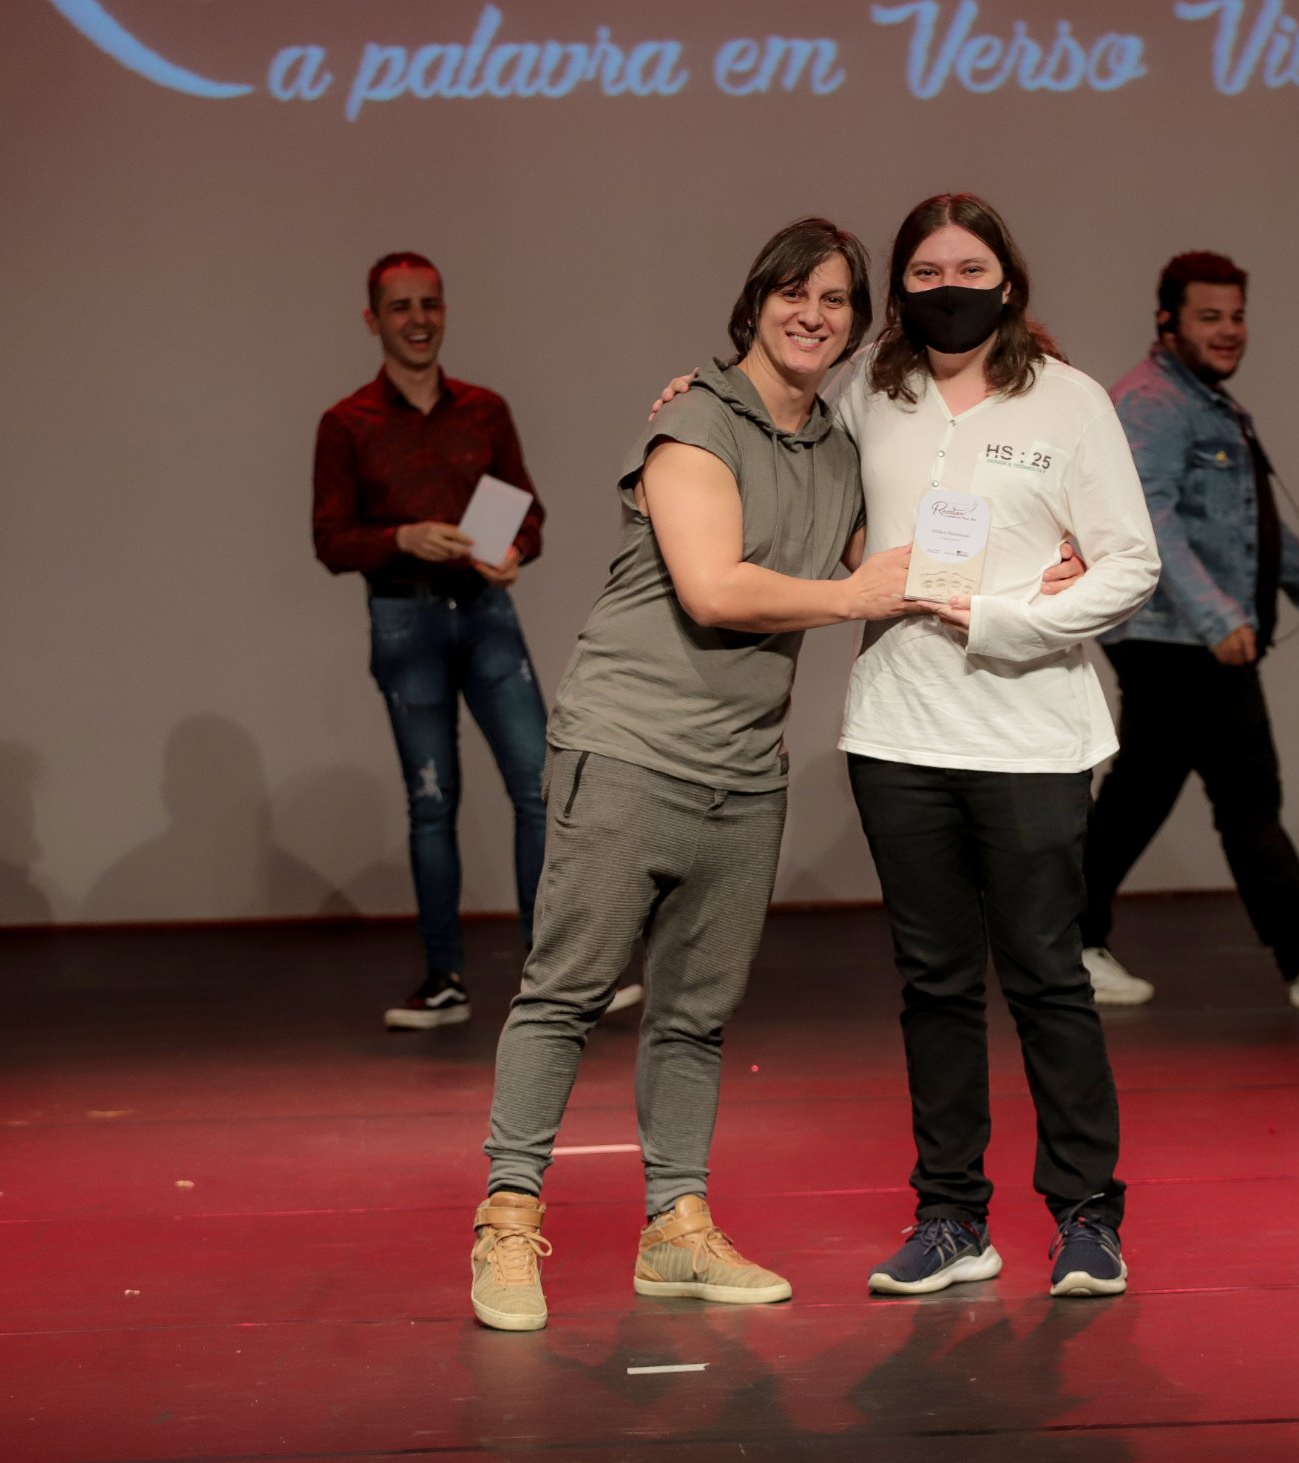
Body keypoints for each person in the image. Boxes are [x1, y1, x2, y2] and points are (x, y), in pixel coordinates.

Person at [467, 217, 931, 1333]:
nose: (812, 314)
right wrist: (853, 596)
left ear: (855, 325)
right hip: (630, 745)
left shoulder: (834, 449)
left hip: (743, 770)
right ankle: (506, 1219)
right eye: (793, 292)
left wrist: (1036, 561)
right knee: (565, 992)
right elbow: (715, 588)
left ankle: (675, 1226)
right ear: (754, 303)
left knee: (694, 1015)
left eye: (835, 299)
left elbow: (906, 555)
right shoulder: (694, 423)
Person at [831, 195, 1160, 1300]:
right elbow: (785, 465)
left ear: (1007, 281)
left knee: (1045, 976)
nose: (947, 288)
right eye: (924, 272)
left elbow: (1128, 562)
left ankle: (1085, 1214)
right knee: (932, 982)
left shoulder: (1068, 400)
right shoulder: (866, 392)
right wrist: (698, 395)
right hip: (897, 727)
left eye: (968, 269)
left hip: (1029, 732)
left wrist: (1008, 618)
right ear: (898, 287)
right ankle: (950, 1218)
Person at [312, 254, 637, 1030]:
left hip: (486, 610)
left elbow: (527, 512)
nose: (418, 319)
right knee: (432, 804)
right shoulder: (347, 422)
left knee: (538, 786)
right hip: (406, 618)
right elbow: (330, 538)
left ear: (445, 311)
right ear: (373, 320)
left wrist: (514, 548)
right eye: (401, 307)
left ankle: (555, 973)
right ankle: (444, 979)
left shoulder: (484, 410)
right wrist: (401, 537)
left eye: (429, 304)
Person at [1079, 251, 1299, 1011]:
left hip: (1184, 636)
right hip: (1178, 637)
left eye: (1236, 317)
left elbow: (1250, 530)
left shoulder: (1207, 403)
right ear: (1168, 321)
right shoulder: (1154, 403)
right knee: (1247, 797)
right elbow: (1147, 521)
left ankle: (1067, 943)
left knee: (1142, 795)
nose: (1228, 331)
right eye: (1209, 317)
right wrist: (1219, 616)